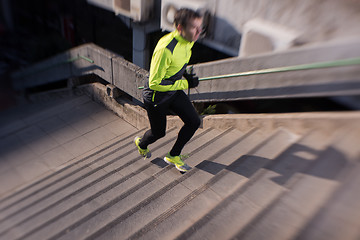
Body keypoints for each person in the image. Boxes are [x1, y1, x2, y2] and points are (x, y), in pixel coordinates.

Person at [134, 8, 203, 172]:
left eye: (200, 27)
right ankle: (142, 143)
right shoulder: (165, 48)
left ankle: (174, 155)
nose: (199, 31)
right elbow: (154, 83)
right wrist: (184, 84)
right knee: (158, 133)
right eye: (194, 27)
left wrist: (185, 74)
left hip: (172, 89)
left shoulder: (189, 40)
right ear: (180, 28)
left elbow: (178, 63)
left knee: (194, 121)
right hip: (156, 96)